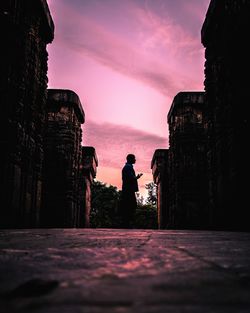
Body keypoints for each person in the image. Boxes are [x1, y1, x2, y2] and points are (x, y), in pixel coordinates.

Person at [120, 154, 143, 228]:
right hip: (128, 190)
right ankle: (127, 224)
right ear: (130, 159)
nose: (135, 159)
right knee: (130, 206)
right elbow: (130, 178)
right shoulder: (128, 167)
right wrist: (137, 177)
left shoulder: (128, 167)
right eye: (134, 158)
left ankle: (127, 223)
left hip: (128, 189)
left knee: (129, 206)